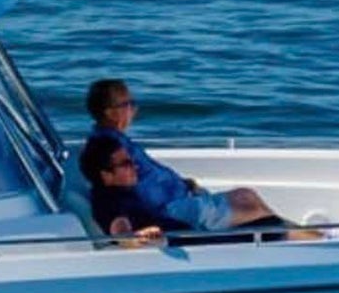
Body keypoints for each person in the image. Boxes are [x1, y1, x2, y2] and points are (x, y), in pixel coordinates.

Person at [82, 78, 290, 236]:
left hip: (179, 199)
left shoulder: (115, 143)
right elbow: (122, 217)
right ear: (110, 113)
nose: (134, 110)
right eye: (128, 104)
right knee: (251, 204)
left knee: (249, 198)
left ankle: (297, 233)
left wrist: (184, 184)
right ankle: (302, 238)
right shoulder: (111, 150)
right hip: (172, 209)